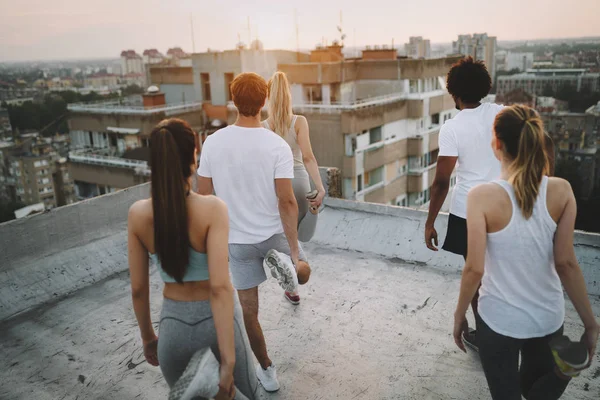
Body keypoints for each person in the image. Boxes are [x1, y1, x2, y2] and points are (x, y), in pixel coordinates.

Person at [452, 105, 599, 400]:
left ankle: (560, 373)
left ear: (497, 144)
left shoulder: (480, 197)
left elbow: (474, 269)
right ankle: (561, 373)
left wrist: (459, 315)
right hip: (547, 318)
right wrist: (590, 323)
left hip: (499, 321)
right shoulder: (562, 190)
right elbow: (566, 263)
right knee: (534, 392)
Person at [197, 72, 312, 392]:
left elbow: (204, 198)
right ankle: (290, 266)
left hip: (236, 241)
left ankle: (268, 372)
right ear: (264, 102)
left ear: (233, 101)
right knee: (303, 273)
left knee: (249, 313)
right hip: (273, 233)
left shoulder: (212, 143)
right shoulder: (276, 144)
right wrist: (291, 247)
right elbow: (287, 201)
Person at [128, 119, 257, 400]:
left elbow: (138, 289)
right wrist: (228, 360)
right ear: (193, 157)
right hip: (216, 325)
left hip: (172, 330)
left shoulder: (138, 215)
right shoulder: (213, 209)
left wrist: (149, 338)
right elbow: (220, 288)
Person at [425, 56, 503, 350]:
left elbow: (442, 181)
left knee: (475, 275)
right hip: (503, 207)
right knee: (499, 273)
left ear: (454, 93)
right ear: (483, 87)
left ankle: (485, 336)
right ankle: (504, 332)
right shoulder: (502, 113)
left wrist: (430, 222)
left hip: (467, 212)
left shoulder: (452, 127)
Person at [263, 71, 326, 303]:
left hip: (277, 188)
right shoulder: (299, 121)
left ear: (269, 97)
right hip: (299, 182)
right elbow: (308, 157)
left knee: (284, 236)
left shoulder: (262, 126)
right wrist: (320, 188)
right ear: (289, 95)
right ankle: (293, 284)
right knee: (299, 237)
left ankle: (290, 278)